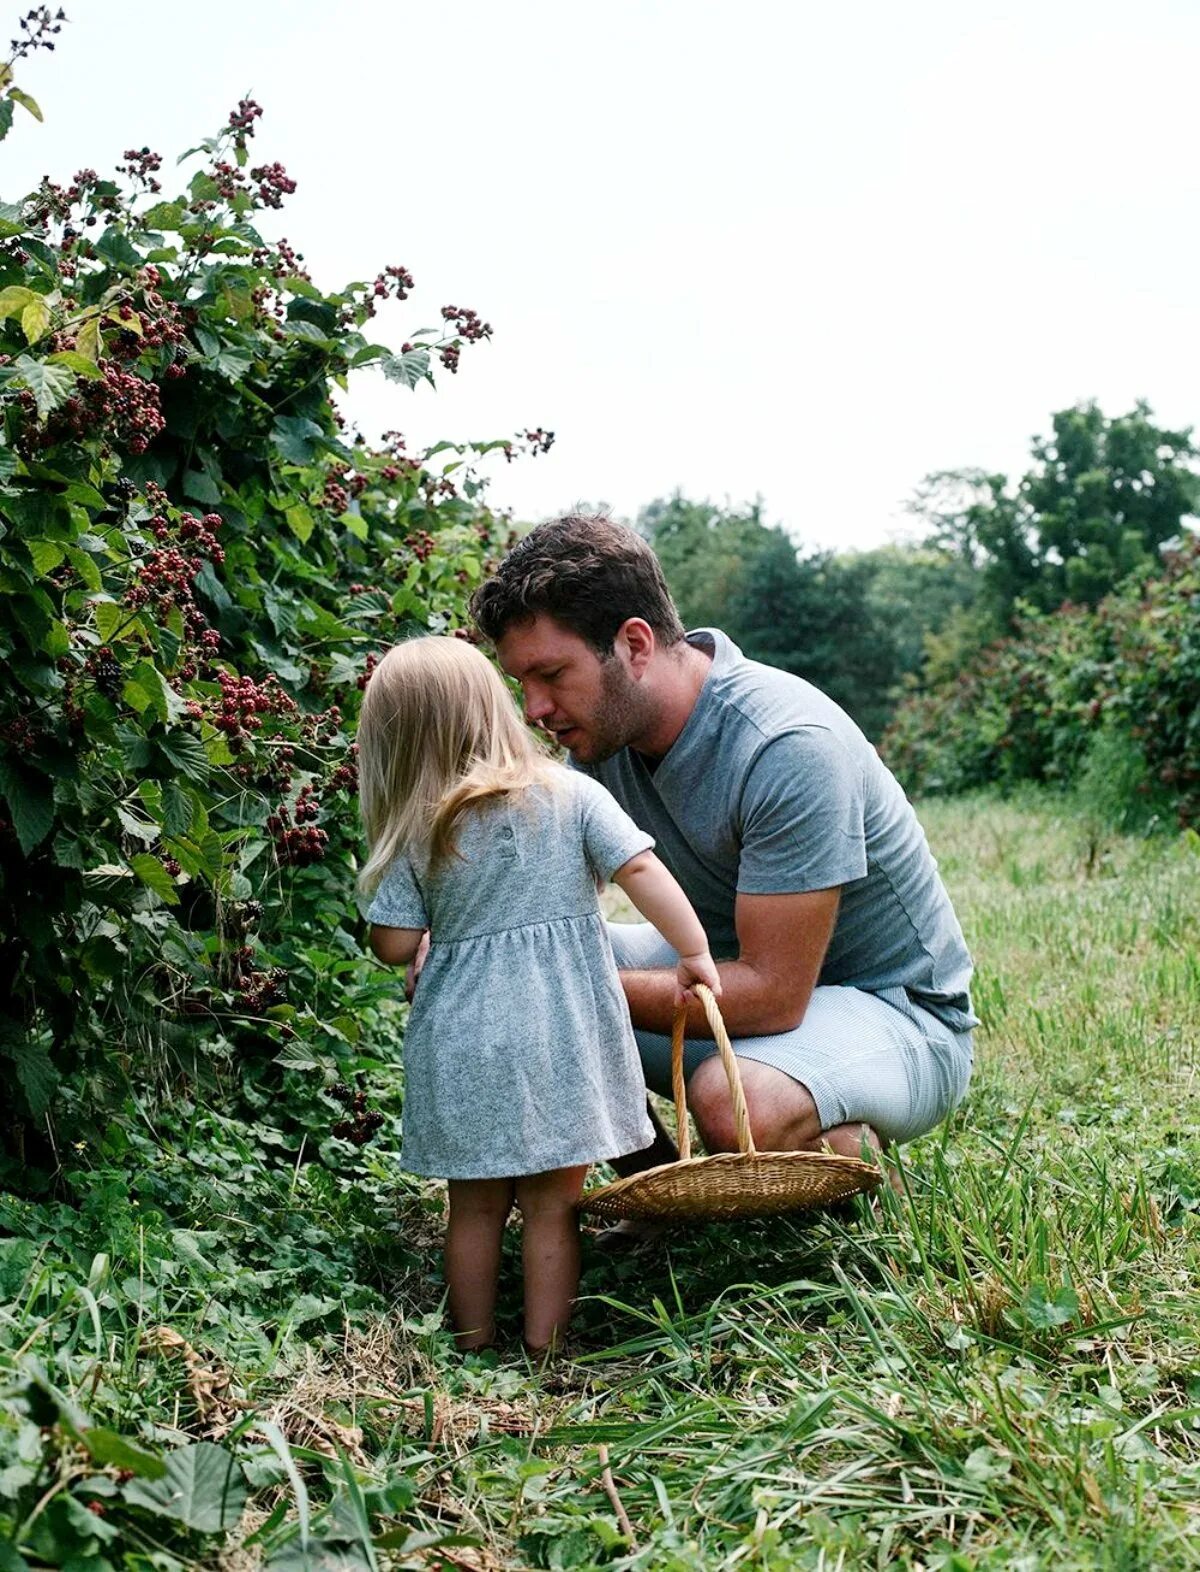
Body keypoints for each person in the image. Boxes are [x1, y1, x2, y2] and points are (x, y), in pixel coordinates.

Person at [469, 514, 978, 1189]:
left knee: (734, 1102)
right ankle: (658, 1188)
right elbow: (530, 905)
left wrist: (562, 986)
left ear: (634, 644)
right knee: (499, 957)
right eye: (521, 684)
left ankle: (834, 1137)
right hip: (729, 972)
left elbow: (772, 996)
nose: (534, 708)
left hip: (895, 1014)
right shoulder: (601, 740)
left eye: (553, 675)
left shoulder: (785, 746)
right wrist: (465, 947)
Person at [355, 634, 720, 1354]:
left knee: (475, 1209)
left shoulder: (424, 828)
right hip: (563, 1034)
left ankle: (471, 1344)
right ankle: (546, 1350)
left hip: (465, 1043)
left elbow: (394, 944)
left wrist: (426, 938)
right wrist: (694, 952)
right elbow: (641, 871)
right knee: (555, 1207)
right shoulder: (574, 793)